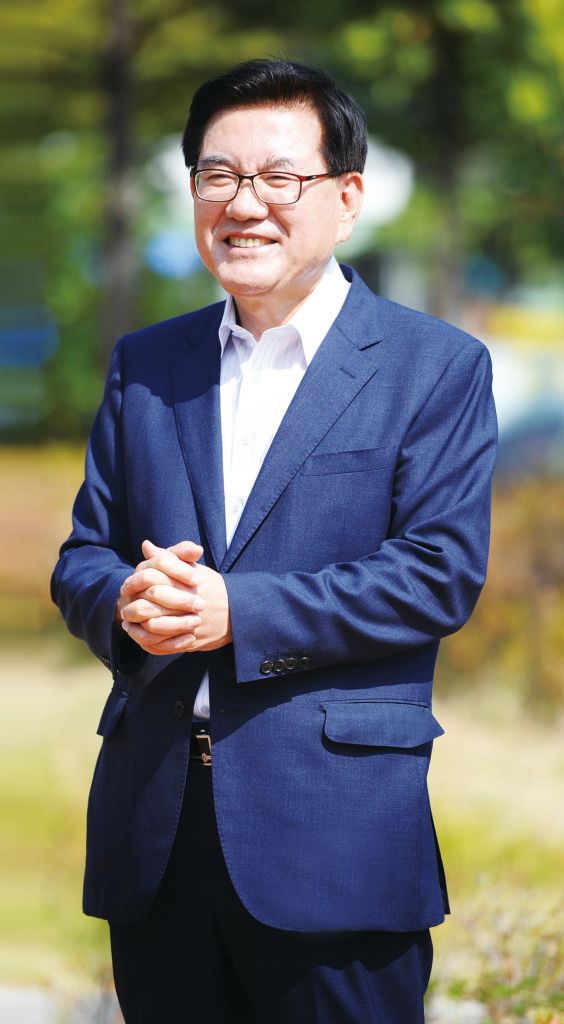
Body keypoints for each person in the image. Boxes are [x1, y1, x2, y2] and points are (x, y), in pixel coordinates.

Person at [51, 58, 497, 1024]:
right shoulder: (146, 363)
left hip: (333, 834)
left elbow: (437, 573)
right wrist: (125, 601)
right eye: (218, 175)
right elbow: (84, 554)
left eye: (279, 177)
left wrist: (234, 613)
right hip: (156, 831)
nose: (243, 203)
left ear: (347, 199)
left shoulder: (434, 366)